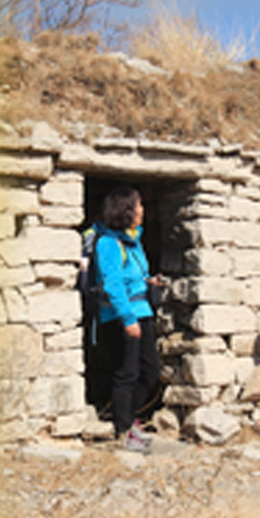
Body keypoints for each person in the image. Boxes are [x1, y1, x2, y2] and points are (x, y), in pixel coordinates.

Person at [95, 185, 161, 452]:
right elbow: (112, 284)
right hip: (122, 318)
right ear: (126, 210)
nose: (143, 210)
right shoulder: (108, 243)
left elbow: (132, 277)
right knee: (127, 374)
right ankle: (123, 431)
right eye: (138, 205)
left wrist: (149, 282)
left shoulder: (132, 242)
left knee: (150, 371)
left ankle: (129, 420)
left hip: (142, 314)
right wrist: (127, 318)